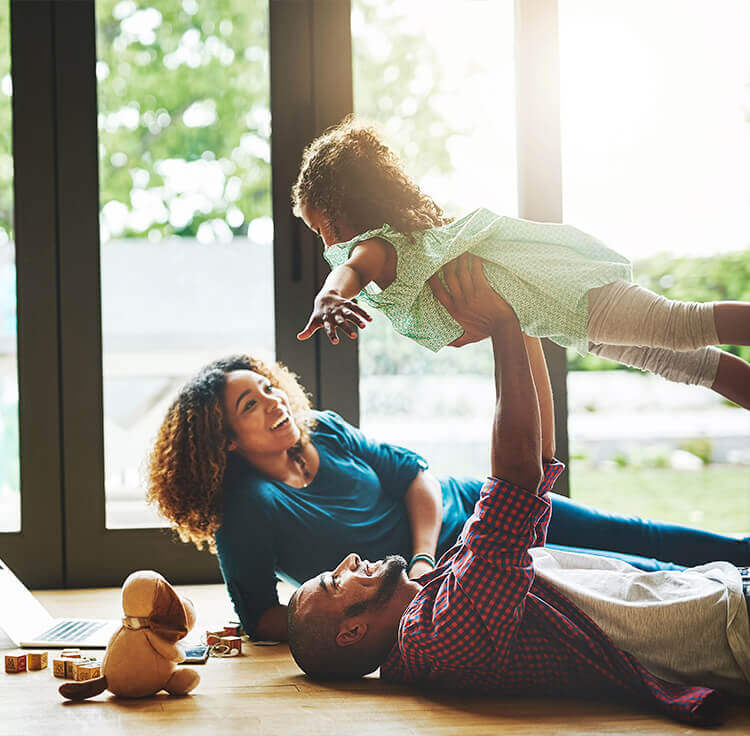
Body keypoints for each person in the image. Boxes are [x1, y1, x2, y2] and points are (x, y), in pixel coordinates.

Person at [146, 257, 750, 644]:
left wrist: (420, 557)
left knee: (638, 535)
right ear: (223, 438)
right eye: (250, 405)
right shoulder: (247, 508)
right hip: (457, 584)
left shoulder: (322, 430)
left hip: (475, 511)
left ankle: (744, 556)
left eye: (269, 387)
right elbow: (263, 618)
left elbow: (416, 477)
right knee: (626, 580)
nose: (275, 401)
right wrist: (385, 618)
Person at [286, 260, 750, 726]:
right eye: (334, 581)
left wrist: (521, 322)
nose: (348, 561)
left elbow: (538, 465)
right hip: (729, 626)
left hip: (717, 595)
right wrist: (502, 326)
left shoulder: (432, 604)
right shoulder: (441, 634)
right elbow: (515, 484)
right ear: (352, 632)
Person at [292, 116, 750, 409]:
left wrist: (329, 297)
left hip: (569, 294)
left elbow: (349, 270)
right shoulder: (415, 242)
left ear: (347, 207)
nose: (326, 244)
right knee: (690, 364)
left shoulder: (378, 248)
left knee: (682, 326)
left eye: (322, 229)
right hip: (563, 316)